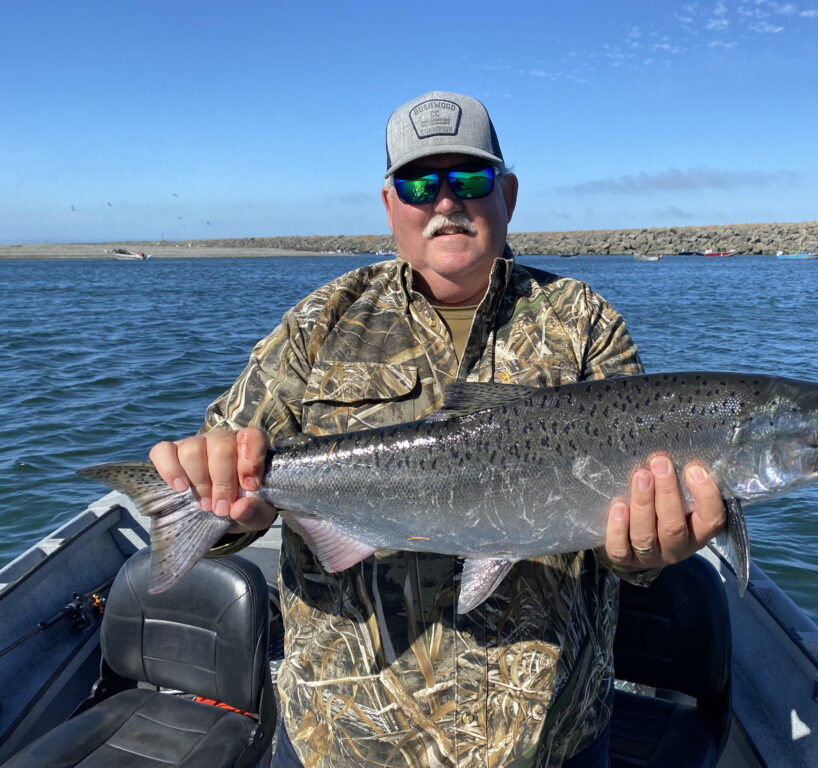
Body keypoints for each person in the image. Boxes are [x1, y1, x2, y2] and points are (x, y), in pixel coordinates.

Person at [149, 90, 726, 767]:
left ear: (507, 194)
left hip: (549, 745)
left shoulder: (584, 324)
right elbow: (226, 484)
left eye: (470, 179)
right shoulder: (319, 323)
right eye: (420, 182)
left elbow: (622, 547)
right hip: (346, 744)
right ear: (391, 204)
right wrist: (227, 506)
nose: (446, 201)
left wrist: (644, 555)